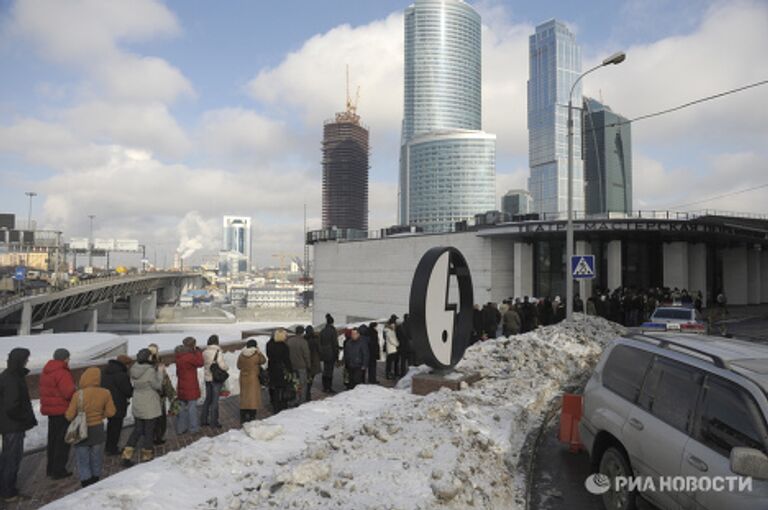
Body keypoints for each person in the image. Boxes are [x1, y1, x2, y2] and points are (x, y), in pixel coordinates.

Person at [65, 367, 116, 488]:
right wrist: (100, 416)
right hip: (97, 429)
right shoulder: (105, 392)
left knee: (83, 460)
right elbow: (111, 412)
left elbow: (69, 416)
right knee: (96, 458)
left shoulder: (78, 394)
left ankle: (86, 484)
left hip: (81, 432)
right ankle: (96, 480)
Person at [0, 348, 37, 502]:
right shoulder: (12, 379)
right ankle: (8, 491)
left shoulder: (8, 376)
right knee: (12, 458)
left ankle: (5, 487)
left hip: (9, 424)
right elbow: (12, 406)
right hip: (13, 425)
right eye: (26, 359)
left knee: (7, 457)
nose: (27, 361)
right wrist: (25, 418)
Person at [122, 348, 163, 467]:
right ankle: (147, 455)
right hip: (149, 403)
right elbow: (158, 386)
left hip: (138, 401)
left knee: (137, 430)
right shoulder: (149, 371)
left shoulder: (134, 368)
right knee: (149, 430)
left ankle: (126, 454)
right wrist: (160, 373)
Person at [40, 348, 76, 479]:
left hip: (51, 411)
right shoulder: (62, 372)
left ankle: (50, 468)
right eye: (68, 358)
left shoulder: (47, 370)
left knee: (53, 440)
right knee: (62, 441)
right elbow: (68, 392)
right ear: (65, 358)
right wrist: (75, 389)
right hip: (62, 410)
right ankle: (58, 470)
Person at [101, 355, 133, 455]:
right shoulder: (121, 375)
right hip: (119, 404)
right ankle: (112, 449)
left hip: (107, 403)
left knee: (111, 426)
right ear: (125, 364)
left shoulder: (105, 372)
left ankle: (108, 447)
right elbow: (128, 391)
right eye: (128, 365)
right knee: (116, 428)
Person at [174, 337, 204, 435]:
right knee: (192, 407)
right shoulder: (189, 356)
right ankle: (194, 428)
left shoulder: (179, 355)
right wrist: (198, 352)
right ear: (192, 345)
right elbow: (200, 363)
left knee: (182, 407)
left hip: (182, 384)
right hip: (190, 385)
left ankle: (181, 428)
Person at [147, 344, 175, 445]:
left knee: (150, 418)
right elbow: (165, 381)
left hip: (147, 396)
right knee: (160, 418)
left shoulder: (142, 364)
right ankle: (158, 437)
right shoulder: (158, 364)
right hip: (158, 396)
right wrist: (171, 394)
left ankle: (149, 437)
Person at [201, 335, 228, 429]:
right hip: (216, 379)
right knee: (215, 401)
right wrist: (226, 367)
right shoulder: (218, 352)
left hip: (207, 378)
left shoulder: (204, 352)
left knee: (208, 399)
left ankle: (203, 420)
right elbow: (222, 366)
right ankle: (214, 422)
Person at [237, 339, 266, 423]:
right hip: (253, 378)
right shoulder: (256, 354)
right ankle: (252, 415)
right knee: (253, 397)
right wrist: (259, 352)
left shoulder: (241, 354)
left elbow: (238, 366)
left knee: (244, 396)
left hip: (243, 377)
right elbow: (263, 361)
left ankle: (243, 414)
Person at [266, 329, 293, 413]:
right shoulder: (284, 347)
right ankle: (282, 405)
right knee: (283, 388)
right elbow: (287, 360)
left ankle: (275, 406)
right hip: (281, 370)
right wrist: (290, 370)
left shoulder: (269, 345)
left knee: (275, 388)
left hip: (272, 369)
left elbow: (269, 356)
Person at [286, 326, 310, 405]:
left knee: (294, 383)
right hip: (301, 365)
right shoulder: (303, 342)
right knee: (303, 384)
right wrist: (308, 365)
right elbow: (306, 355)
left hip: (292, 365)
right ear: (302, 332)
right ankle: (302, 400)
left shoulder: (289, 341)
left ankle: (295, 398)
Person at [318, 314, 340, 393]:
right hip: (331, 354)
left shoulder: (322, 331)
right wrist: (336, 356)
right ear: (332, 323)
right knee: (330, 371)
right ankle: (329, 387)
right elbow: (335, 344)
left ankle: (324, 387)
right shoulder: (333, 331)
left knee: (325, 370)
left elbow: (319, 343)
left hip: (324, 354)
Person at [304, 326, 322, 401]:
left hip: (305, 360)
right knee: (311, 377)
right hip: (314, 360)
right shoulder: (316, 339)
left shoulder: (304, 339)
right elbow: (320, 350)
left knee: (306, 377)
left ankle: (306, 393)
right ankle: (307, 393)